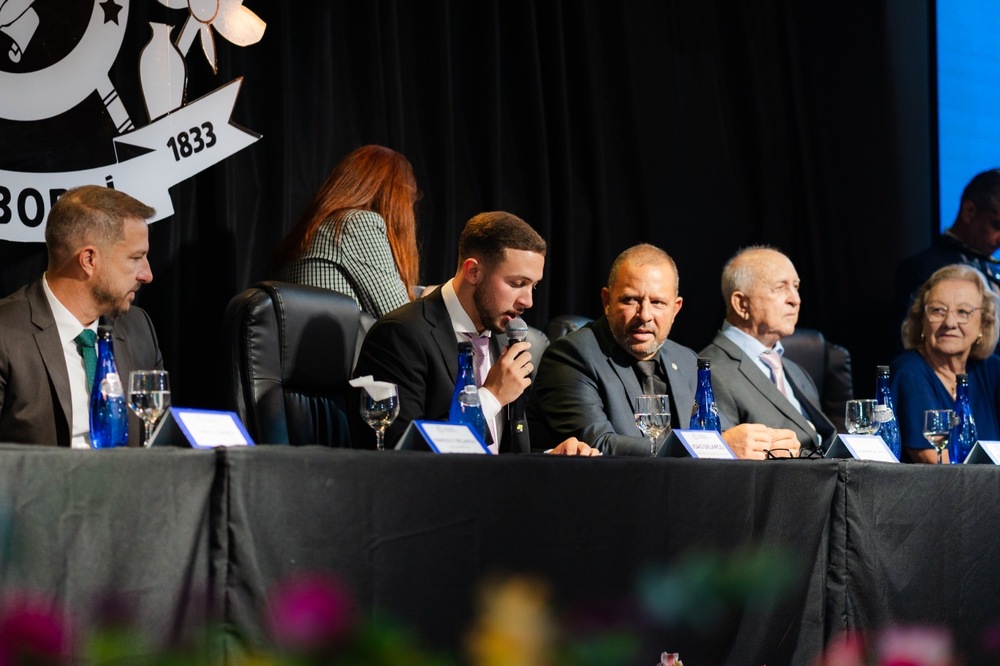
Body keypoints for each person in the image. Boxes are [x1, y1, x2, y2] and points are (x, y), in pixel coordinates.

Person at [351, 211, 597, 456]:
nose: (528, 301)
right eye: (516, 284)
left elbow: (508, 454)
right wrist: (490, 398)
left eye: (533, 286)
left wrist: (552, 458)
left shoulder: (506, 338)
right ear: (473, 272)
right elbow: (400, 454)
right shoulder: (401, 335)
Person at [528, 244, 800, 458]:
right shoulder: (571, 355)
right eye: (630, 300)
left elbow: (719, 432)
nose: (644, 315)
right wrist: (708, 448)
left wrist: (766, 443)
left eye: (658, 302)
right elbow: (599, 445)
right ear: (607, 301)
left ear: (676, 309)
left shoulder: (686, 359)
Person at [0, 185, 164, 448]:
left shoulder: (138, 327)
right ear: (88, 259)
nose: (147, 274)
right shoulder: (6, 333)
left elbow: (158, 441)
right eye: (136, 258)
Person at [700, 246, 836, 454]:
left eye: (796, 287)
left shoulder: (797, 372)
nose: (795, 300)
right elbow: (719, 463)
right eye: (780, 288)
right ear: (741, 304)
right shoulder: (710, 370)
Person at [270, 144, 421, 319]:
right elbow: (401, 320)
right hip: (342, 346)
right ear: (395, 197)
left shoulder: (310, 230)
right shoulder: (356, 224)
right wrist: (434, 302)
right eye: (410, 199)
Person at [891, 264, 1000, 463]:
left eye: (963, 311)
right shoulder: (910, 371)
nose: (949, 322)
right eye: (938, 311)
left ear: (983, 323)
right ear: (922, 320)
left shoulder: (990, 369)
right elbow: (936, 462)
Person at [893, 168, 1000, 354]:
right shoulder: (923, 269)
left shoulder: (993, 270)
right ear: (969, 211)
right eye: (997, 225)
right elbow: (911, 344)